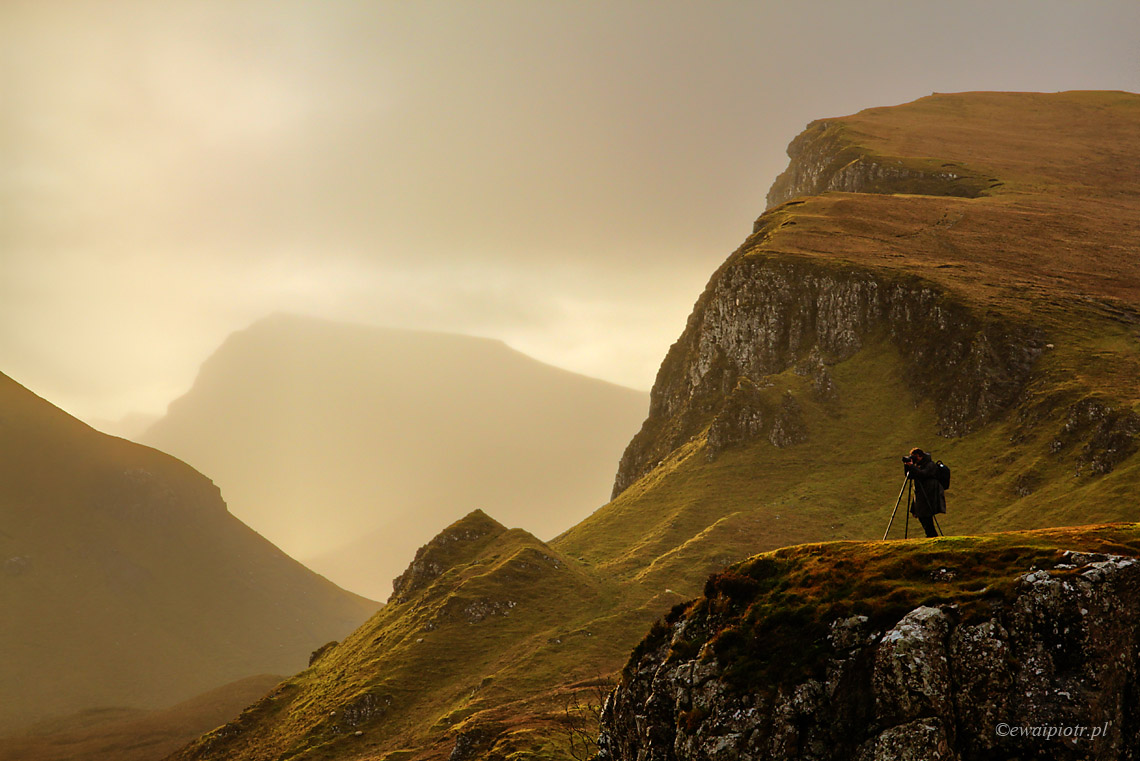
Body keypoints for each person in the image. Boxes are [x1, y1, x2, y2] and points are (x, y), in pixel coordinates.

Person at [904, 447, 945, 538]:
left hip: (929, 494)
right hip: (920, 494)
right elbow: (909, 476)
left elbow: (923, 474)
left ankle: (932, 535)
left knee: (926, 515)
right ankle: (931, 535)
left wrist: (912, 466)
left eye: (914, 457)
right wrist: (907, 466)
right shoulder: (918, 465)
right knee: (921, 515)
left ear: (919, 456)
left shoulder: (930, 465)